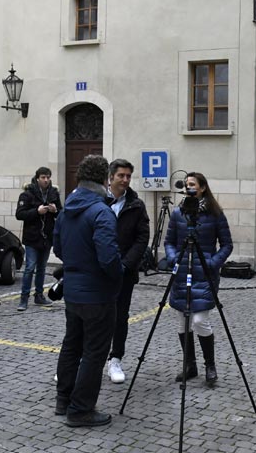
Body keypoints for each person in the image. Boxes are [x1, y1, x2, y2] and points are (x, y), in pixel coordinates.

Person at [53, 155, 122, 428]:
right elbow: (108, 258)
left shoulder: (67, 208)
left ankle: (64, 399)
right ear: (104, 179)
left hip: (73, 290)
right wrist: (119, 274)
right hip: (97, 293)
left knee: (72, 345)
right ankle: (80, 409)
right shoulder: (101, 211)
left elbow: (58, 248)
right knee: (94, 352)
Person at [164, 172, 233, 386]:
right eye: (186, 185)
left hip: (204, 274)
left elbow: (227, 244)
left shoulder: (215, 214)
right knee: (183, 321)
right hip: (182, 272)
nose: (188, 188)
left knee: (200, 320)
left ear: (203, 188)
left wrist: (212, 263)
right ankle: (189, 365)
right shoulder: (178, 213)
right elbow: (169, 242)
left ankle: (209, 365)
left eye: (192, 184)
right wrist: (174, 258)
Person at [105, 159, 150, 384]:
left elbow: (142, 238)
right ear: (111, 176)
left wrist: (126, 264)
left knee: (120, 317)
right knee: (92, 316)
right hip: (98, 272)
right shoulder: (97, 200)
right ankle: (83, 358)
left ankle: (116, 359)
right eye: (121, 175)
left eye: (128, 176)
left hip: (124, 272)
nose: (125, 180)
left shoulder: (136, 204)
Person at [16, 166, 62, 311]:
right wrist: (36, 211)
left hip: (47, 237)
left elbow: (61, 214)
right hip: (32, 237)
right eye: (43, 177)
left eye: (48, 177)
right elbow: (20, 214)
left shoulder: (53, 193)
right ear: (37, 178)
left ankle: (39, 296)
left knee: (42, 268)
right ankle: (24, 298)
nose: (46, 180)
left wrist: (55, 211)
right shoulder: (27, 194)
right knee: (30, 267)